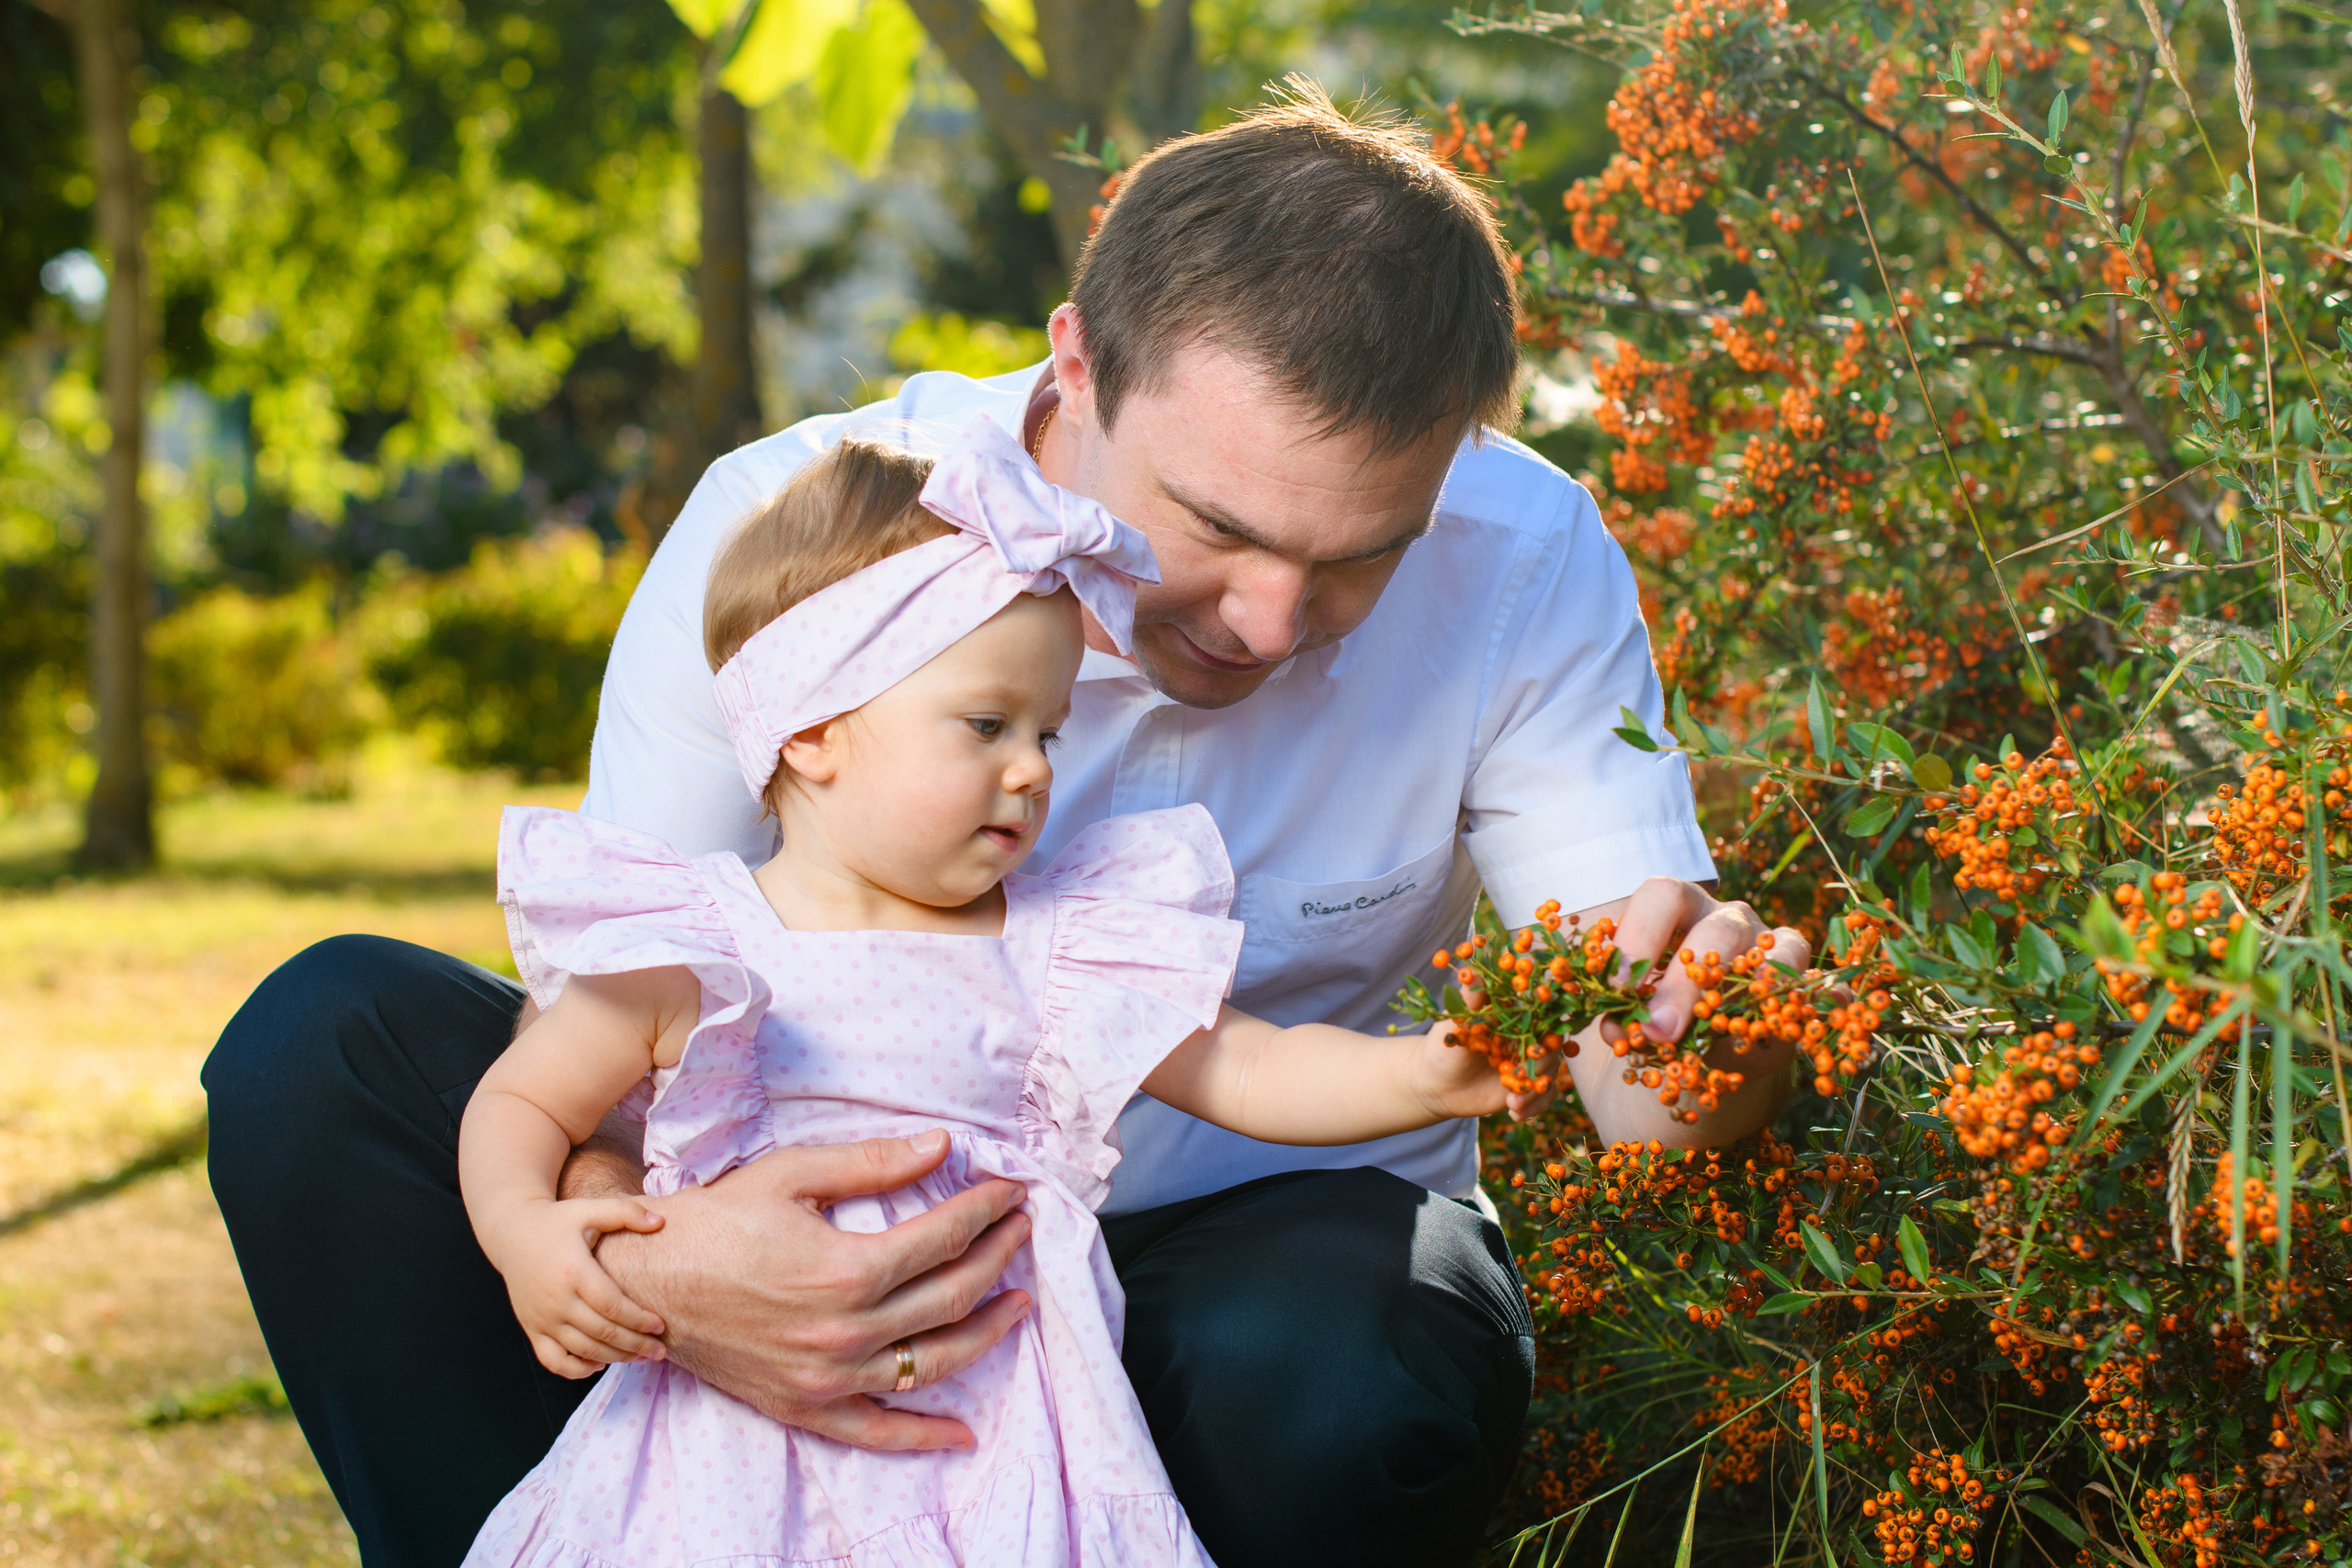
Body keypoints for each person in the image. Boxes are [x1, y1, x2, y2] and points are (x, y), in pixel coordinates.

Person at [204, 83, 1809, 1568]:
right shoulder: (795, 537)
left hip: (1245, 1247)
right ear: (1076, 366)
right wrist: (672, 1273)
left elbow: (1637, 1086)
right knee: (320, 1046)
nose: (1267, 621)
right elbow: (619, 1031)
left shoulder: (1526, 556)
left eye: (1357, 559)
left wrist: (1714, 1049)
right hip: (778, 1192)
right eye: (1219, 530)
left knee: (1348, 1367)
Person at [459, 417, 1515, 1568]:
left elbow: (1249, 1067)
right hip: (730, 1438)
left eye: (1046, 732)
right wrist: (530, 1233)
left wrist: (1424, 1072)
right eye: (985, 725)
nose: (1031, 769)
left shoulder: (1057, 946)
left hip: (1001, 1431)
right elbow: (525, 1105)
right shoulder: (698, 947)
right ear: (813, 731)